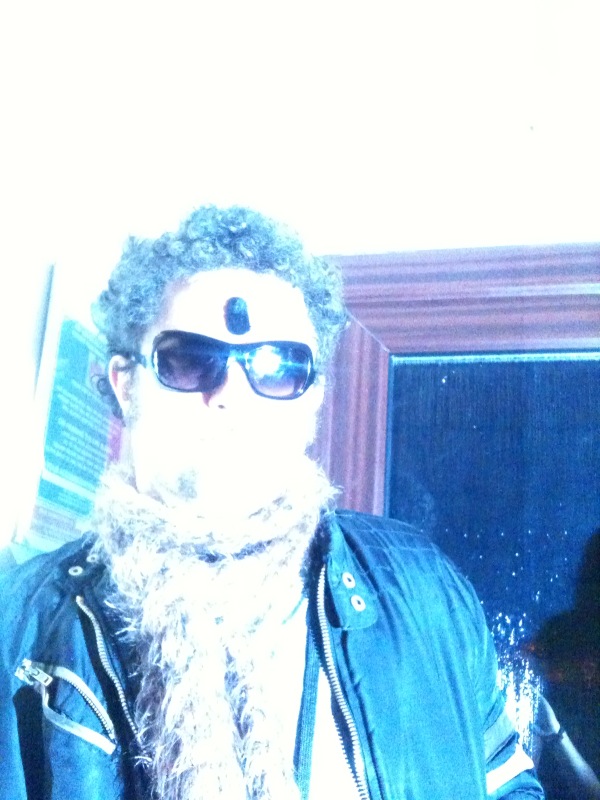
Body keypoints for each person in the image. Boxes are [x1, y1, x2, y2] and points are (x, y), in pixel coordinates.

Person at [0, 205, 545, 799]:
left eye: (279, 367)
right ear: (126, 383)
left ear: (311, 401)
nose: (232, 392)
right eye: (190, 360)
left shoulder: (422, 587)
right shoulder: (20, 627)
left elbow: (508, 784)